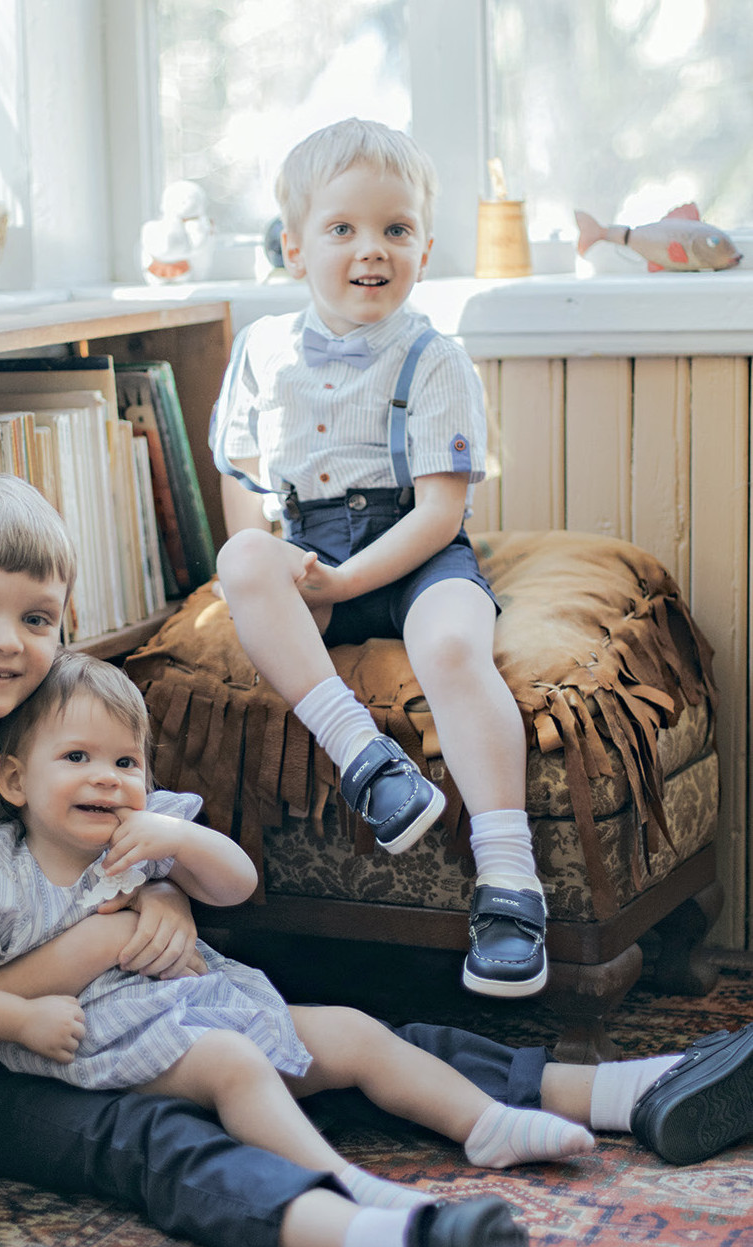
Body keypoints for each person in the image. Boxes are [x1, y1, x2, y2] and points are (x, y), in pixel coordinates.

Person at [0, 475, 753, 1247]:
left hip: (123, 1005)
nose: (4, 642)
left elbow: (144, 864)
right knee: (150, 1135)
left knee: (316, 1034)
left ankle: (620, 1091)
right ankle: (388, 1241)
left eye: (34, 619)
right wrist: (109, 940)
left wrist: (166, 902)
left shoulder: (65, 733)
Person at [0, 651, 597, 1210]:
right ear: (15, 781)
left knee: (352, 1030)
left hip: (206, 1004)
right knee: (232, 1062)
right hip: (106, 1046)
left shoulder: (148, 836)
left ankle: (483, 1123)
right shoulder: (6, 883)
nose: (106, 779)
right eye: (76, 758)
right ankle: (342, 1187)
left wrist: (181, 841)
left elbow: (236, 885)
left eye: (125, 762)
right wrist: (19, 1021)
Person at [211, 117, 542, 999]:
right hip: (307, 545)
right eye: (342, 228)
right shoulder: (261, 350)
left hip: (413, 550)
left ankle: (508, 880)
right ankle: (367, 762)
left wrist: (352, 580)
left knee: (453, 644)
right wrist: (275, 564)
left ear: (423, 252)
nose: (371, 249)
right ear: (294, 248)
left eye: (395, 229)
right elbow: (242, 480)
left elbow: (439, 512)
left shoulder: (435, 359)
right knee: (240, 557)